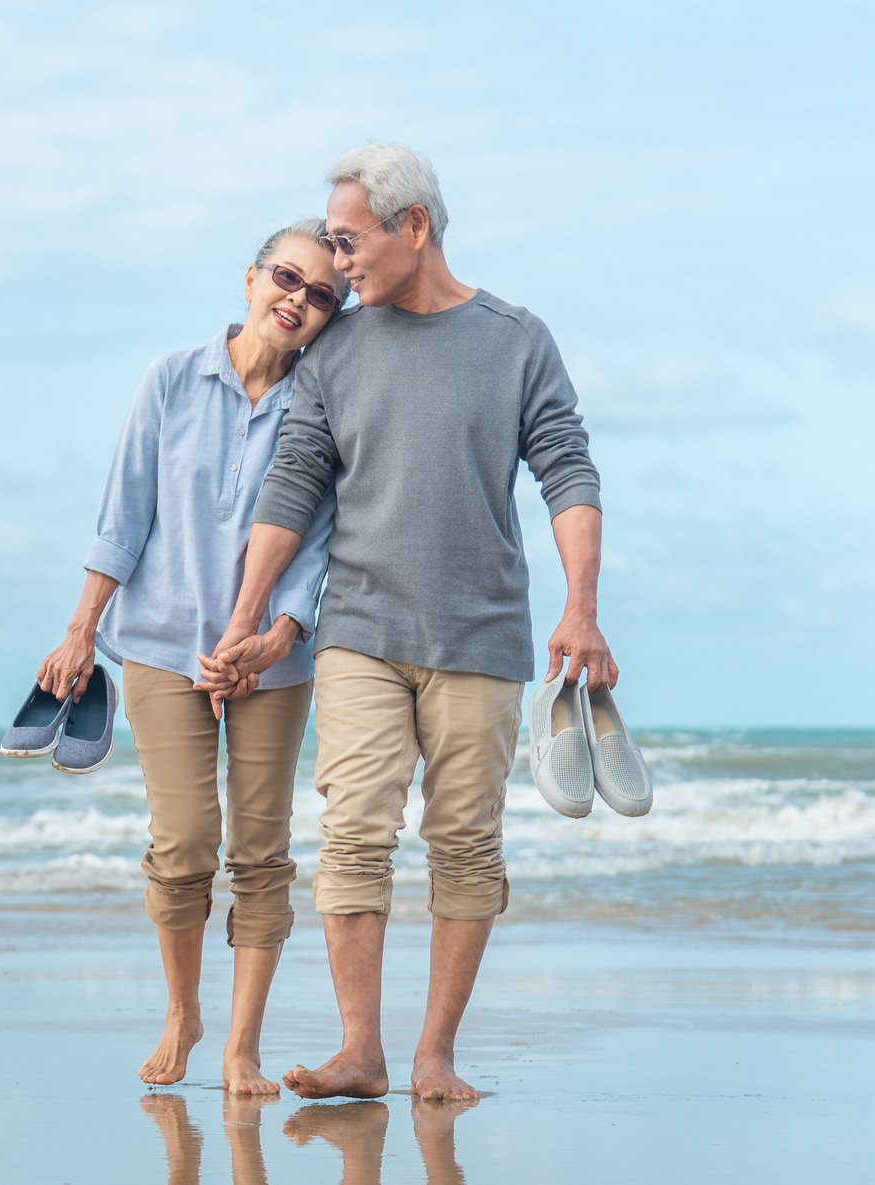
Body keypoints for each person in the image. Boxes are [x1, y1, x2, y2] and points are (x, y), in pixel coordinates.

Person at [199, 143, 614, 1102]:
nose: (339, 265)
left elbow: (568, 472)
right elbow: (294, 479)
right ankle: (361, 1051)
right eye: (330, 246)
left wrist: (582, 608)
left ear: (414, 227)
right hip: (360, 628)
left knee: (466, 845)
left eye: (349, 243)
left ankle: (434, 1057)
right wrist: (247, 617)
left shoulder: (516, 339)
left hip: (481, 636)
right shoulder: (335, 351)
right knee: (354, 835)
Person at [37, 220, 343, 1094]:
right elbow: (123, 515)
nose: (300, 299)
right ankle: (183, 1010)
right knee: (182, 844)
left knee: (261, 850)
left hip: (272, 662)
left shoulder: (321, 407)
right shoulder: (168, 379)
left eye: (324, 294)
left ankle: (242, 1046)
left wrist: (279, 634)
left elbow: (319, 541)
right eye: (289, 277)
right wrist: (80, 629)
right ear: (250, 279)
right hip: (163, 650)